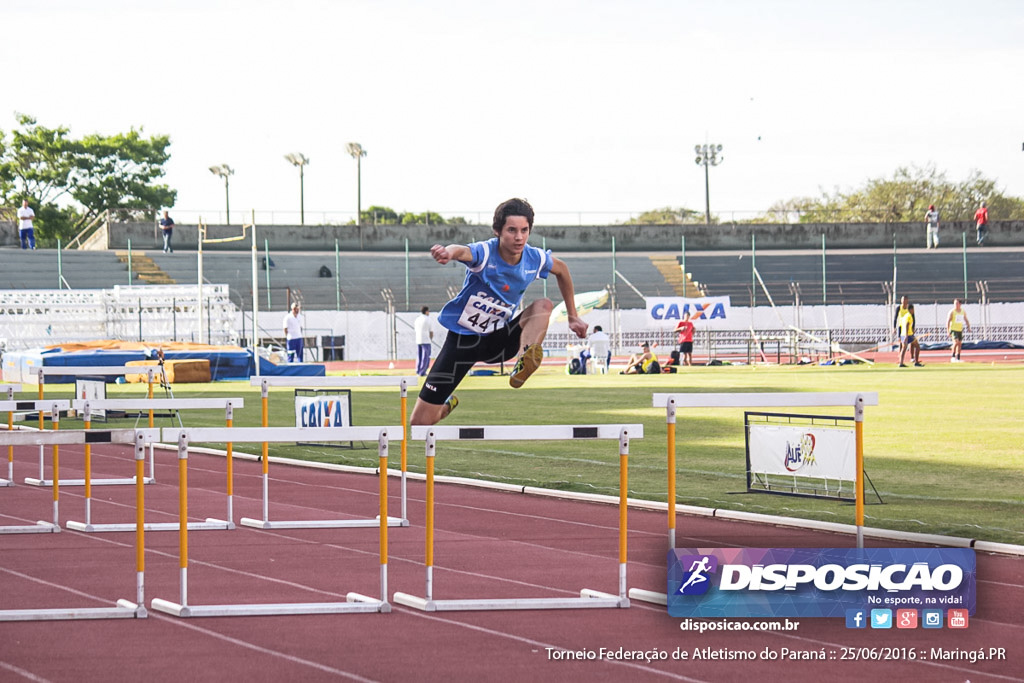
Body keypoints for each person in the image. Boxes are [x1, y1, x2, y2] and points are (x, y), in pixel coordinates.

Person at [409, 198, 587, 426]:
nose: (519, 237)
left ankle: (525, 359)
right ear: (498, 231)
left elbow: (562, 269)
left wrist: (573, 315)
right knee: (419, 422)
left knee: (544, 305)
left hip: (499, 339)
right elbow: (462, 251)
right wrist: (448, 253)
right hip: (462, 343)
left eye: (524, 230)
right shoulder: (485, 252)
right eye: (512, 230)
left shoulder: (535, 258)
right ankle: (447, 404)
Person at [946, 298, 971, 363]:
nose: (955, 305)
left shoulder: (963, 311)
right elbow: (948, 321)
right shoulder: (952, 312)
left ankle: (958, 357)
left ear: (960, 304)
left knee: (959, 344)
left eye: (957, 303)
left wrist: (968, 327)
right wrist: (948, 331)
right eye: (954, 303)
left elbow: (966, 319)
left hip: (960, 329)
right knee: (956, 342)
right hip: (953, 329)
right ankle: (953, 357)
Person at [414, 306, 434, 376]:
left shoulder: (417, 319)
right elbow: (431, 331)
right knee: (425, 356)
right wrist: (431, 339)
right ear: (426, 311)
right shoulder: (428, 319)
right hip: (426, 340)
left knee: (419, 356)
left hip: (418, 339)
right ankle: (422, 371)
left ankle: (418, 370)